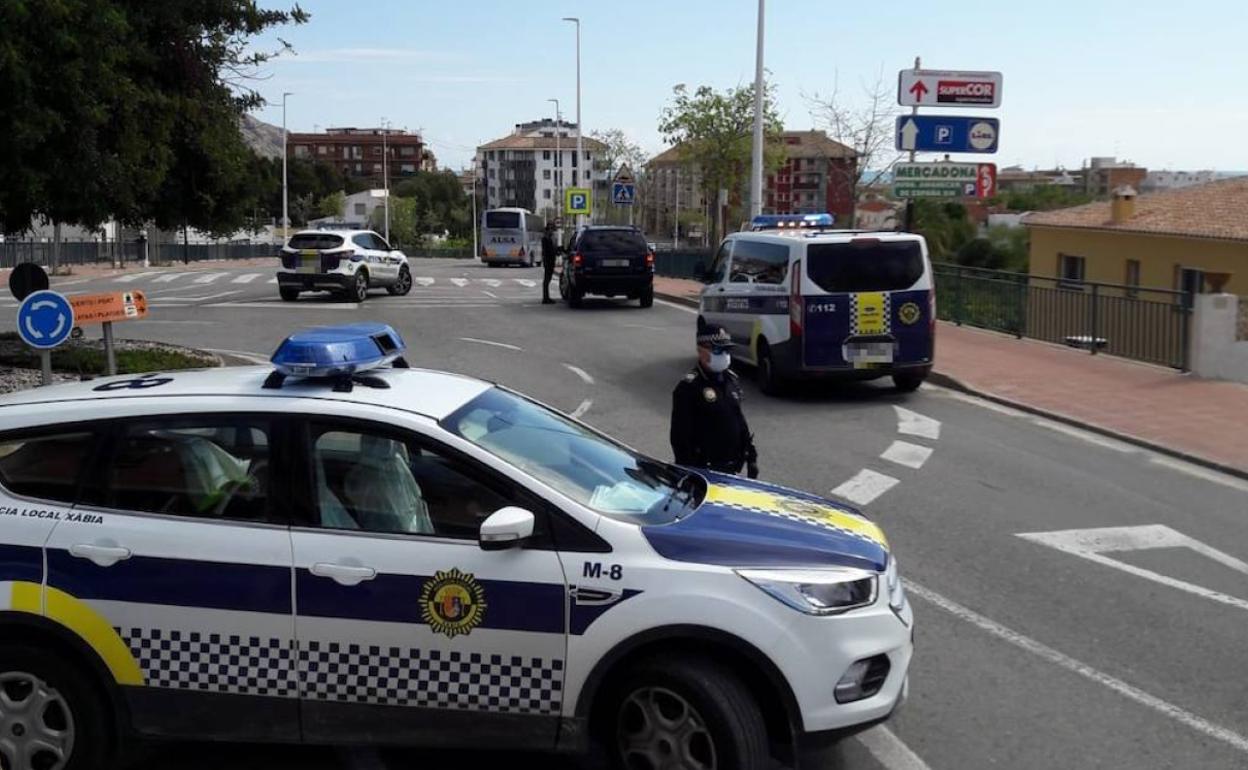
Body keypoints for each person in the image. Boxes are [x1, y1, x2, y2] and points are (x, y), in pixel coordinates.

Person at [670, 319, 759, 477]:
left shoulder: (730, 379)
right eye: (718, 350)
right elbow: (680, 439)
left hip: (731, 468)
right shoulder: (689, 388)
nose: (724, 355)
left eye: (727, 350)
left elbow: (738, 419)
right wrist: (690, 474)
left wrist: (751, 457)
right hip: (704, 471)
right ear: (701, 350)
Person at [540, 222, 559, 304]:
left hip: (550, 260)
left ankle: (546, 297)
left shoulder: (549, 237)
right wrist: (556, 252)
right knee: (547, 280)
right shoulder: (546, 238)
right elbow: (549, 251)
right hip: (548, 261)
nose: (552, 231)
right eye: (551, 229)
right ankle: (545, 298)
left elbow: (553, 249)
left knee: (548, 279)